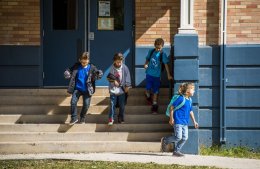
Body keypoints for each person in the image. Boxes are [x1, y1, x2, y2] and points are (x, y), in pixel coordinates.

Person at [64, 52, 103, 125]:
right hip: (77, 88)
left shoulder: (92, 67)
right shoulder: (76, 66)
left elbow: (96, 73)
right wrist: (67, 72)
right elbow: (69, 70)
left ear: (88, 60)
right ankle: (74, 118)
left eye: (85, 62)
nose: (83, 64)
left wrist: (99, 73)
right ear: (80, 60)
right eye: (82, 62)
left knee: (86, 104)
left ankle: (82, 117)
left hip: (87, 89)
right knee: (73, 102)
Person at [160, 82, 199, 157]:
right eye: (193, 89)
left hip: (185, 122)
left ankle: (176, 151)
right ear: (187, 92)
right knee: (178, 137)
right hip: (178, 121)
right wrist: (171, 118)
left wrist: (194, 121)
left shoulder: (189, 100)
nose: (194, 91)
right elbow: (172, 107)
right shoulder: (181, 99)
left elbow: (190, 111)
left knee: (185, 138)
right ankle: (165, 140)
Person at [144, 38, 172, 114]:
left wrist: (168, 75)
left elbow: (166, 65)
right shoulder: (151, 51)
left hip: (157, 76)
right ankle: (148, 95)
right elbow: (147, 59)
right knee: (147, 89)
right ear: (154, 46)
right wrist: (146, 64)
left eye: (159, 48)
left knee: (155, 91)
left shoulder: (163, 54)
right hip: (149, 74)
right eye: (156, 47)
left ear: (162, 47)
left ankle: (154, 106)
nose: (158, 49)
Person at [107, 52, 131, 126]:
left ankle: (121, 117)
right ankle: (111, 118)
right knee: (112, 104)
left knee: (122, 105)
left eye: (120, 62)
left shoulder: (125, 68)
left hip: (122, 91)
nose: (119, 63)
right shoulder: (112, 68)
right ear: (114, 61)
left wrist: (127, 86)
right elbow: (109, 76)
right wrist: (114, 81)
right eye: (117, 62)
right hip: (113, 90)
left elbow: (128, 78)